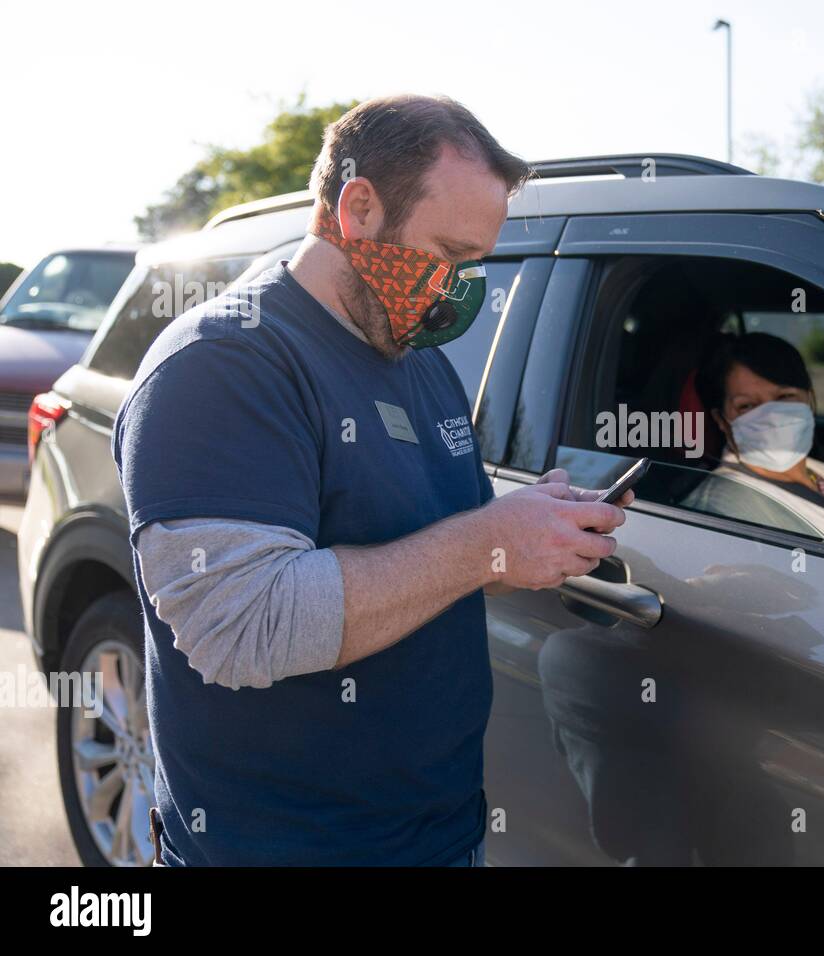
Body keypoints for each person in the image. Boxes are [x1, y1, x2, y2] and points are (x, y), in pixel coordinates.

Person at [114, 95, 630, 866]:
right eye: (447, 254)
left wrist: (532, 529)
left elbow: (431, 546)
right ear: (357, 208)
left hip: (442, 834)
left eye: (474, 264)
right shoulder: (224, 363)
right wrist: (486, 546)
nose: (459, 290)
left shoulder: (419, 361)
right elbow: (240, 626)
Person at [688, 333, 824, 546]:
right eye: (747, 406)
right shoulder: (718, 509)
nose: (772, 416)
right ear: (721, 420)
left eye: (785, 397)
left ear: (810, 399)